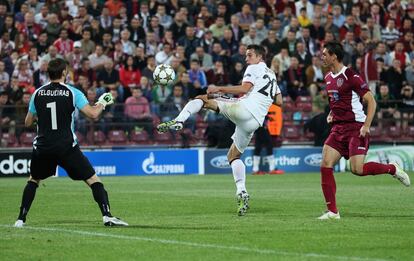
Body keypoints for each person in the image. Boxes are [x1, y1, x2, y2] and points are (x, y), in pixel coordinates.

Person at [157, 45, 283, 216]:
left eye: (249, 55)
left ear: (260, 56)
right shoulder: (272, 74)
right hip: (255, 121)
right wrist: (261, 99)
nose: (246, 59)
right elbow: (280, 101)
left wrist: (219, 88)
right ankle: (241, 191)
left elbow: (244, 89)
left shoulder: (253, 67)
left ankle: (180, 120)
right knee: (233, 155)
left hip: (244, 109)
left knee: (204, 98)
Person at [14, 58, 128, 227]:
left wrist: (41, 119)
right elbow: (93, 114)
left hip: (43, 146)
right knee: (93, 179)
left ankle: (20, 219)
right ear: (64, 73)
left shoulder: (37, 93)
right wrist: (103, 103)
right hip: (66, 146)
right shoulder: (72, 92)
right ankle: (107, 216)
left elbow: (28, 122)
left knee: (33, 180)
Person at [318, 41, 410, 220]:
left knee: (357, 170)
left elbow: (371, 101)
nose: (322, 57)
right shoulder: (328, 77)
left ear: (334, 56)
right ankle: (333, 212)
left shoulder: (350, 75)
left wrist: (366, 125)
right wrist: (331, 113)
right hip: (338, 128)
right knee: (325, 164)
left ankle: (392, 169)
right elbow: (337, 101)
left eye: (324, 54)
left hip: (355, 127)